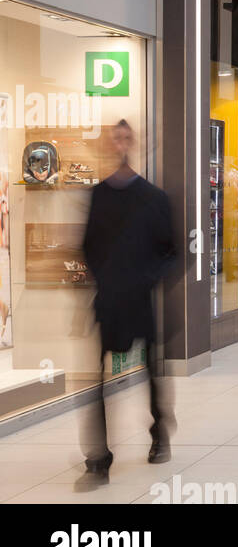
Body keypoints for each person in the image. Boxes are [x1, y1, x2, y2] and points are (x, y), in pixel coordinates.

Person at [78, 120, 176, 488]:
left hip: (139, 297)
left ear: (134, 143)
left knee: (150, 369)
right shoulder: (99, 195)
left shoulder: (153, 197)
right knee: (98, 378)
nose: (119, 144)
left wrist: (147, 278)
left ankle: (160, 429)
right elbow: (86, 245)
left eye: (125, 137)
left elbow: (170, 250)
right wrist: (103, 278)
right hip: (109, 299)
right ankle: (99, 457)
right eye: (114, 138)